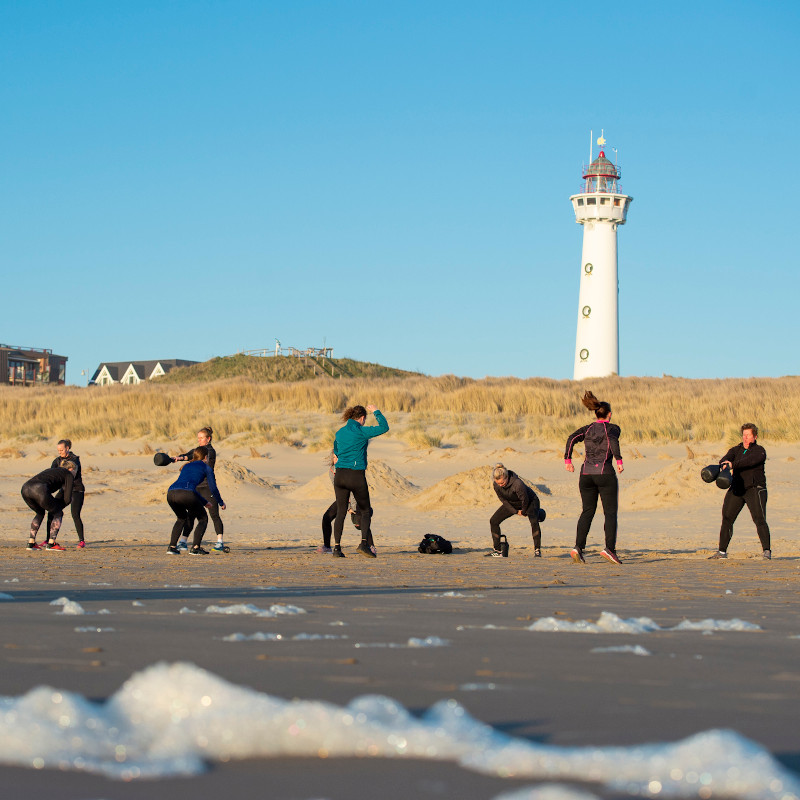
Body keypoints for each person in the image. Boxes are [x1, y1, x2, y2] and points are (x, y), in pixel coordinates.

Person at [564, 390, 624, 565]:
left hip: (586, 475)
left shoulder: (588, 428)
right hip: (605, 474)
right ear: (609, 414)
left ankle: (578, 548)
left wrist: (568, 460)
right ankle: (609, 550)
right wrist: (619, 460)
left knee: (587, 511)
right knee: (610, 513)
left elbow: (571, 438)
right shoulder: (614, 428)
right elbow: (613, 441)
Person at [331, 404, 389, 557]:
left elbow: (336, 450)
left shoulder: (340, 432)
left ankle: (337, 549)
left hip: (340, 476)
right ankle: (364, 544)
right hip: (356, 475)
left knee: (341, 512)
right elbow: (384, 427)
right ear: (362, 418)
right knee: (365, 511)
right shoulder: (361, 431)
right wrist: (376, 411)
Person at [708, 423, 771, 560]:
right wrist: (725, 463)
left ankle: (766, 551)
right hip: (737, 489)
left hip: (755, 489)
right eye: (744, 435)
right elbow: (726, 458)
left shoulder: (759, 451)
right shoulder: (736, 449)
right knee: (727, 518)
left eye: (748, 435)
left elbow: (750, 461)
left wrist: (733, 465)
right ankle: (722, 552)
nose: (745, 438)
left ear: (754, 436)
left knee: (759, 519)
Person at [173, 427, 226, 552]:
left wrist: (186, 458)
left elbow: (193, 455)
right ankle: (183, 541)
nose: (199, 440)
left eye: (202, 438)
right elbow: (189, 454)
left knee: (214, 514)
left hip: (207, 487)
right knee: (191, 515)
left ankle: (219, 542)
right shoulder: (198, 450)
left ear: (208, 439)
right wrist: (178, 458)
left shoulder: (210, 451)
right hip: (196, 487)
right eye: (198, 438)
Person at [318, 452, 368, 554]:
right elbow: (338, 491)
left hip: (355, 499)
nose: (336, 459)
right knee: (326, 518)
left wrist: (351, 506)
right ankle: (327, 546)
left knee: (359, 524)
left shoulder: (348, 468)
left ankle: (370, 546)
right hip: (342, 498)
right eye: (334, 457)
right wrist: (346, 506)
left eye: (338, 457)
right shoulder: (332, 471)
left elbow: (353, 491)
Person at [489, 463, 544, 557]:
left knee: (533, 520)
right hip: (512, 503)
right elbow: (503, 500)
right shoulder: (496, 485)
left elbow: (525, 499)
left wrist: (523, 511)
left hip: (530, 501)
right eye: (498, 483)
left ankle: (537, 550)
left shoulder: (517, 483)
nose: (500, 485)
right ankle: (497, 550)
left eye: (502, 483)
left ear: (506, 477)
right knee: (493, 521)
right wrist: (515, 511)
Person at [21, 460, 77, 551]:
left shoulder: (53, 470)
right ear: (71, 469)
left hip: (25, 488)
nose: (75, 475)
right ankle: (51, 544)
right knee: (58, 513)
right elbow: (67, 499)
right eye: (75, 472)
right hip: (39, 489)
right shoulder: (68, 474)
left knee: (40, 513)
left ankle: (31, 543)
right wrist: (59, 507)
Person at [45, 439, 86, 548]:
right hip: (64, 490)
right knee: (52, 511)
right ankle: (48, 539)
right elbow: (51, 474)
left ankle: (81, 541)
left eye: (62, 450)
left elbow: (70, 472)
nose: (60, 452)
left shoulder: (75, 459)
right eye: (58, 450)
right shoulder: (57, 460)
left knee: (75, 514)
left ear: (67, 448)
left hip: (76, 490)